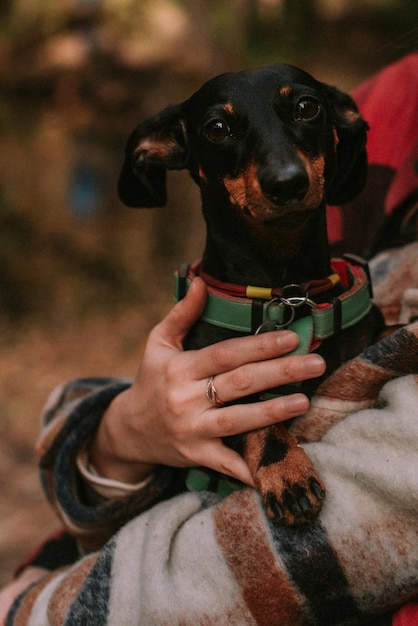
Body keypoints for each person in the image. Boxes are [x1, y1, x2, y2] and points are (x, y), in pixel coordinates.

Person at [1, 53, 418, 625]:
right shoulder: (395, 103)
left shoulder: (374, 299)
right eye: (221, 131)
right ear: (182, 158)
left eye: (303, 113)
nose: (284, 170)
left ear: (336, 129)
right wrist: (124, 429)